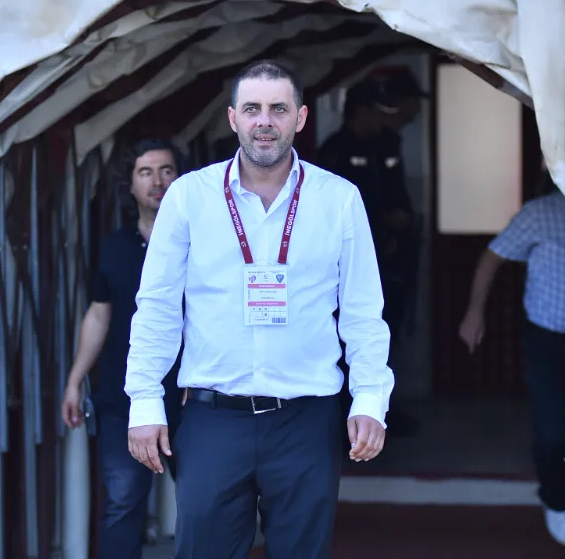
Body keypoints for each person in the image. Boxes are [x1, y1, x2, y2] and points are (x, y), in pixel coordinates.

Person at [125, 59, 394, 559]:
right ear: (233, 118)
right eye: (252, 109)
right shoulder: (189, 197)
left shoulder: (339, 199)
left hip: (305, 419)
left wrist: (369, 399)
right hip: (213, 418)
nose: (264, 121)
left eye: (278, 109)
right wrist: (144, 400)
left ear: (301, 117)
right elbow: (157, 308)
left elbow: (362, 310)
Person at [61, 138, 186, 559]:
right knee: (122, 502)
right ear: (130, 185)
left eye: (166, 170)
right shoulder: (114, 246)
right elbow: (99, 314)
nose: (157, 181)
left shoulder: (203, 243)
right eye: (145, 172)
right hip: (123, 396)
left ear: (181, 179)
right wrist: (75, 381)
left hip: (194, 395)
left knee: (206, 504)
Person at [458, 168, 565, 548]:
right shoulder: (540, 212)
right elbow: (491, 258)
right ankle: (554, 500)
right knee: (554, 429)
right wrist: (474, 313)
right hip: (548, 338)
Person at [317, 77, 420, 436]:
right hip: (350, 263)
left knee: (384, 330)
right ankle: (348, 414)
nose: (383, 119)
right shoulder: (334, 151)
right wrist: (386, 219)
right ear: (359, 112)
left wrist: (401, 222)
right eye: (377, 112)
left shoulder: (387, 143)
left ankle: (381, 407)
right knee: (347, 336)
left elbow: (395, 188)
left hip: (390, 256)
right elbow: (341, 212)